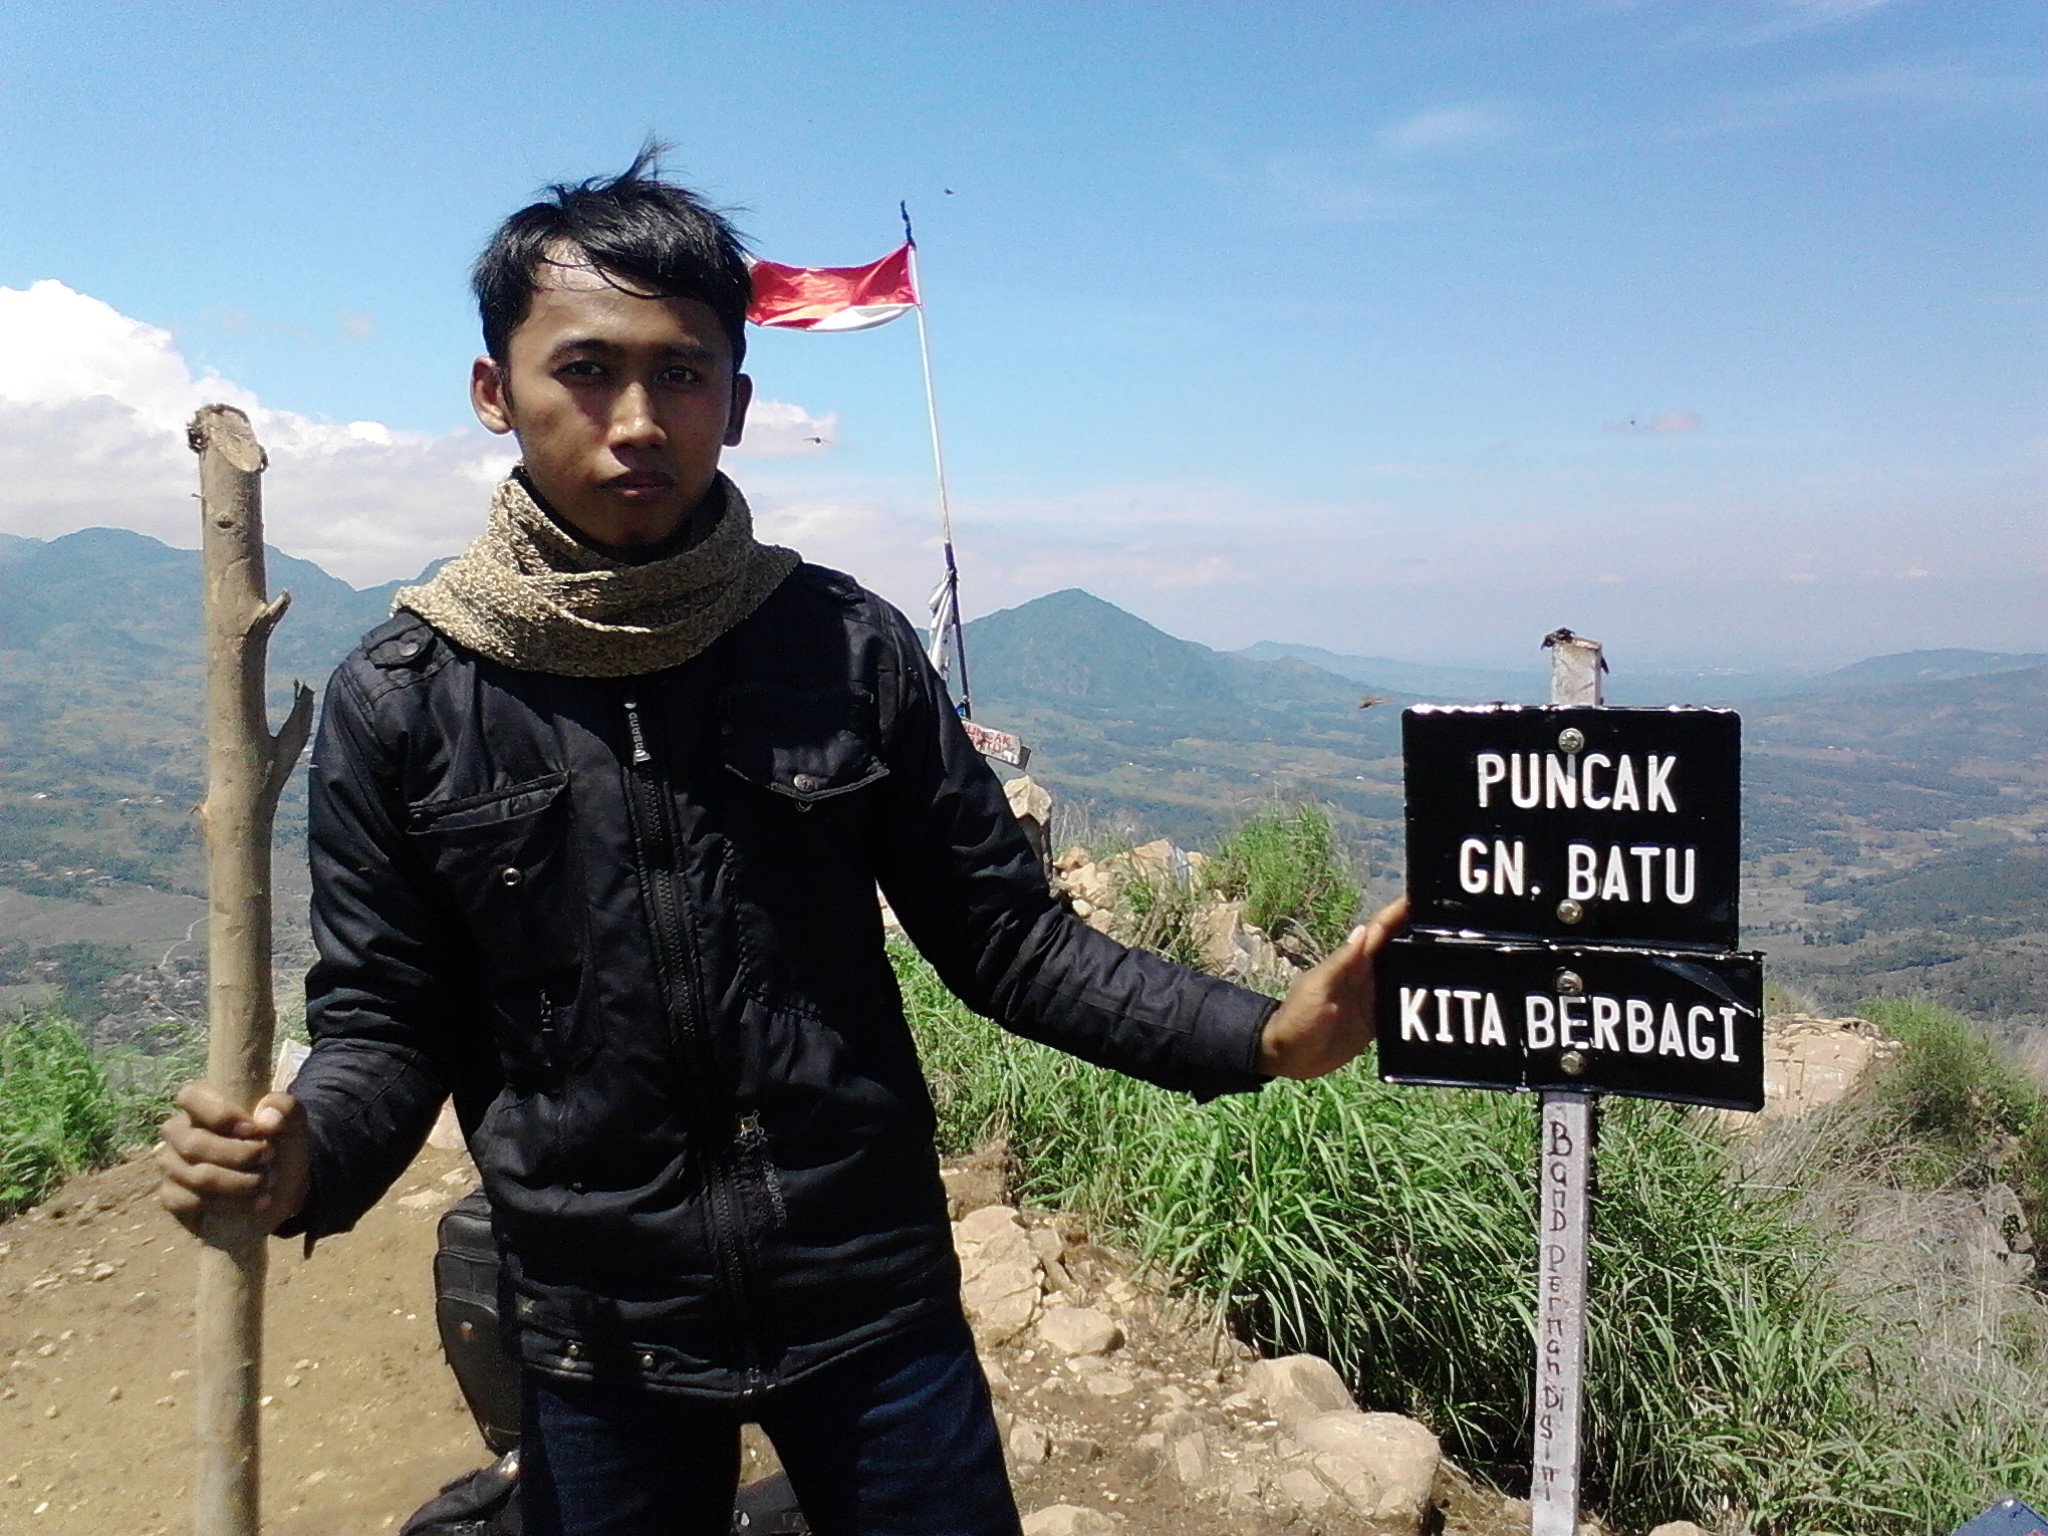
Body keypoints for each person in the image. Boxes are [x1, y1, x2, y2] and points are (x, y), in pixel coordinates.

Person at [156, 148, 1408, 1536]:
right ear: (493, 394)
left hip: (871, 1300)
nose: (637, 419)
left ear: (737, 404)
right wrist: (302, 1159)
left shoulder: (839, 647)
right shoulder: (409, 699)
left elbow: (1005, 938)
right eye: (585, 370)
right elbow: (390, 1020)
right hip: (598, 1330)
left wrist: (1262, 1038)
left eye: (682, 373)